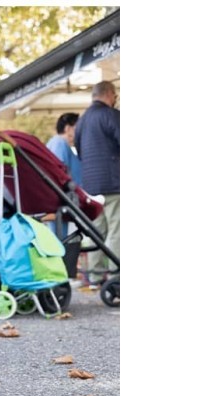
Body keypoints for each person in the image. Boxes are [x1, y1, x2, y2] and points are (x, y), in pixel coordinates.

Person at [74, 81, 120, 287]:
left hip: (91, 185)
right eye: (115, 94)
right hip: (114, 182)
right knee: (117, 229)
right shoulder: (111, 115)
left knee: (96, 231)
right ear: (109, 94)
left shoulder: (82, 121)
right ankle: (115, 275)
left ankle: (94, 277)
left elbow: (80, 151)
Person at [46, 112, 83, 179]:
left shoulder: (59, 143)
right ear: (68, 129)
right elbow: (59, 170)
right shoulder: (59, 143)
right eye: (79, 127)